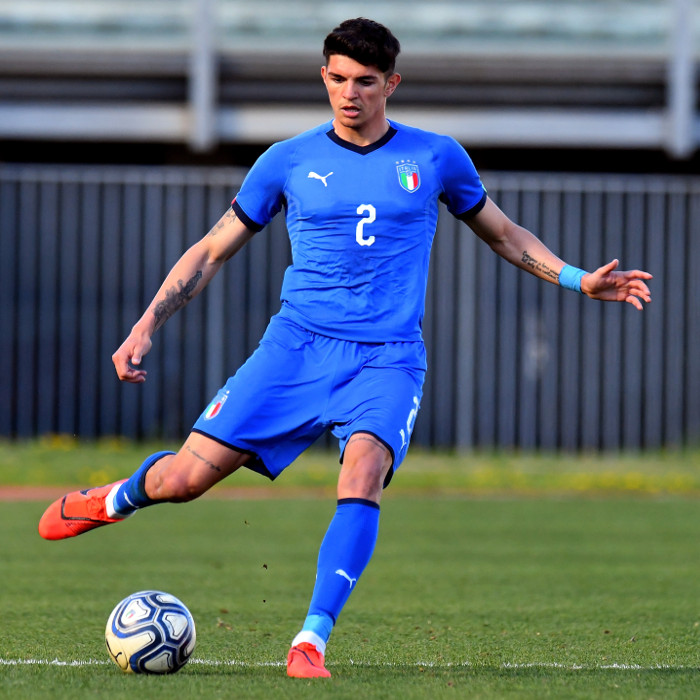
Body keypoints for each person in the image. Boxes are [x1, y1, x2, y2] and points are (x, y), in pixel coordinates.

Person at [38, 18, 652, 678]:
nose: (349, 93)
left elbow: (504, 234)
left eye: (364, 81)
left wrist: (577, 278)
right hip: (295, 350)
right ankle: (116, 499)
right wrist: (145, 324)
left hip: (387, 357)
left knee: (362, 475)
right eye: (337, 79)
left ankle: (310, 641)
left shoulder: (436, 157)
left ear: (391, 83)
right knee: (183, 481)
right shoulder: (288, 160)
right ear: (324, 78)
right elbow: (212, 250)